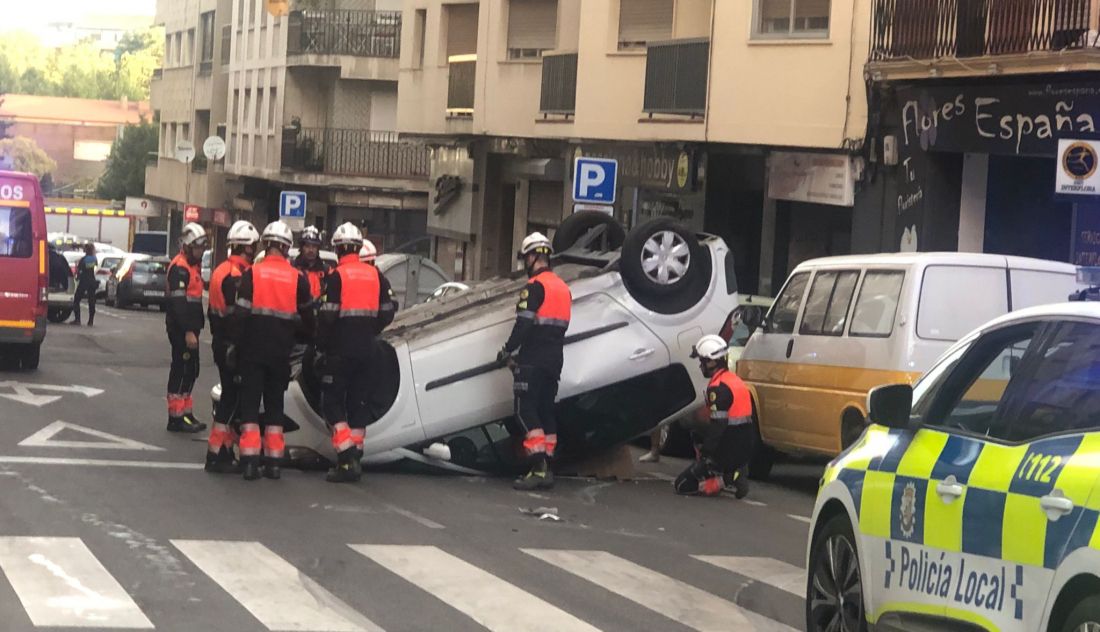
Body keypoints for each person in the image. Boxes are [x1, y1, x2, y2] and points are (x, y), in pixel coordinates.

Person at [234, 221, 315, 481]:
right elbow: (309, 318)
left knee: (249, 405)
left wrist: (235, 346)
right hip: (281, 353)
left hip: (252, 351)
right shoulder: (297, 278)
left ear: (267, 245)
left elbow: (241, 315)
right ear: (287, 247)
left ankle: (248, 461)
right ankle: (274, 462)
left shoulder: (252, 275)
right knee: (274, 406)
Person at [319, 223, 397, 483]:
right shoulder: (376, 275)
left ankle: (346, 455)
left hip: (340, 350)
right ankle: (356, 456)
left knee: (331, 402)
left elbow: (327, 316)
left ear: (339, 249)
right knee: (358, 403)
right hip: (368, 349)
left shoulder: (336, 276)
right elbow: (388, 309)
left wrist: (321, 344)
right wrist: (371, 328)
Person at [498, 232, 571, 491]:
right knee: (545, 411)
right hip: (554, 361)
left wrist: (507, 350)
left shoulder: (535, 287)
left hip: (532, 360)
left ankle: (538, 467)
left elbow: (524, 323)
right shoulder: (562, 288)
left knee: (525, 411)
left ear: (532, 257)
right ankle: (547, 466)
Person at [204, 220, 260, 474]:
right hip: (232, 346)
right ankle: (216, 453)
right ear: (247, 248)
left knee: (230, 397)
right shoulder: (237, 276)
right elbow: (239, 316)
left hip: (222, 341)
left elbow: (214, 312)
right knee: (231, 400)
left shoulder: (221, 271)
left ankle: (223, 450)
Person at [674, 335, 754, 498]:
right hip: (744, 446)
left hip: (729, 448)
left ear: (712, 362)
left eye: (702, 361)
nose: (701, 366)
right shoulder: (734, 380)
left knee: (682, 485)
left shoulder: (718, 388)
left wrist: (706, 456)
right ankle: (733, 469)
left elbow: (719, 426)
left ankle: (727, 477)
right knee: (697, 428)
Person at [165, 224, 209, 433]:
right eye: (197, 248)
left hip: (191, 329)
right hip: (182, 330)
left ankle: (186, 413)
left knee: (191, 370)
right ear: (187, 247)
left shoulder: (192, 267)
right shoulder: (180, 268)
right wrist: (188, 331)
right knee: (181, 370)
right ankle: (176, 418)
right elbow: (179, 304)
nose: (200, 252)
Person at [294, 226, 329, 301]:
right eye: (307, 246)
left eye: (314, 246)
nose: (311, 250)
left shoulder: (326, 271)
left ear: (318, 248)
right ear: (301, 248)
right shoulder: (293, 268)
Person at [70, 243, 97, 326]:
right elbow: (92, 268)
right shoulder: (94, 259)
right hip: (92, 281)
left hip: (84, 281)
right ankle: (90, 320)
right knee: (91, 301)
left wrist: (77, 276)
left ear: (86, 250)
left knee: (77, 299)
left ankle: (77, 320)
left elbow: (80, 270)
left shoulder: (83, 259)